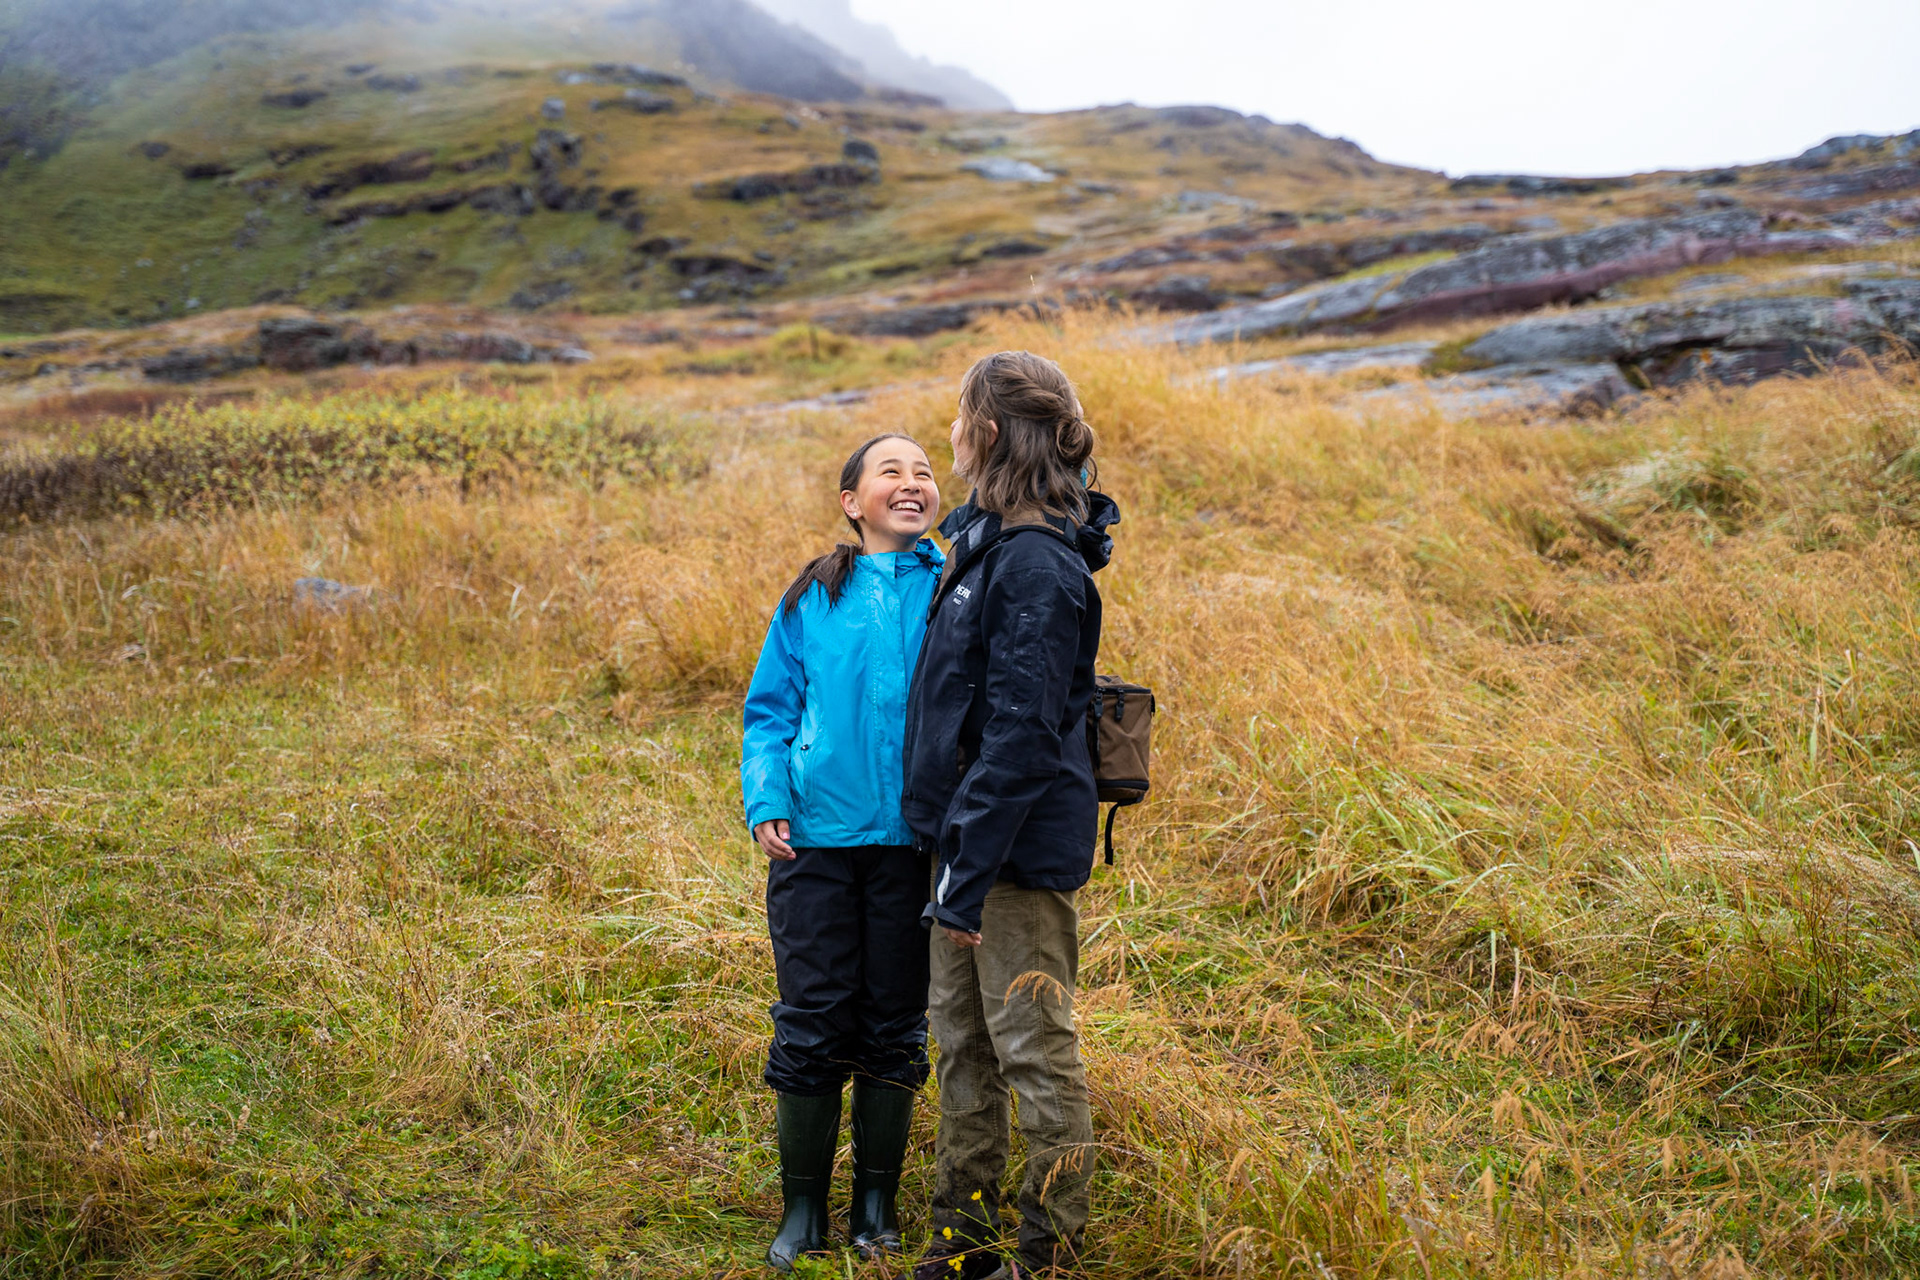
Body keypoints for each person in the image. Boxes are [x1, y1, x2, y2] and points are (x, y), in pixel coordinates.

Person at [901, 351, 1120, 1279]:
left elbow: (1025, 735)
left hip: (1010, 860)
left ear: (986, 432)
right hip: (967, 849)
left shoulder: (1034, 560)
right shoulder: (985, 541)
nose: (949, 432)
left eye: (957, 416)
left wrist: (966, 872)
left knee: (1032, 1050)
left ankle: (1047, 1255)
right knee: (962, 1048)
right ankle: (965, 1241)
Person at [741, 433, 946, 1270]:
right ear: (851, 501)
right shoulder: (810, 597)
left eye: (926, 471)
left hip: (913, 843)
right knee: (815, 1014)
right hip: (816, 845)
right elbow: (768, 711)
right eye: (889, 471)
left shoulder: (955, 584)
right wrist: (767, 799)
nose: (911, 482)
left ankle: (876, 1203)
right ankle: (803, 1210)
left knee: (896, 1019)